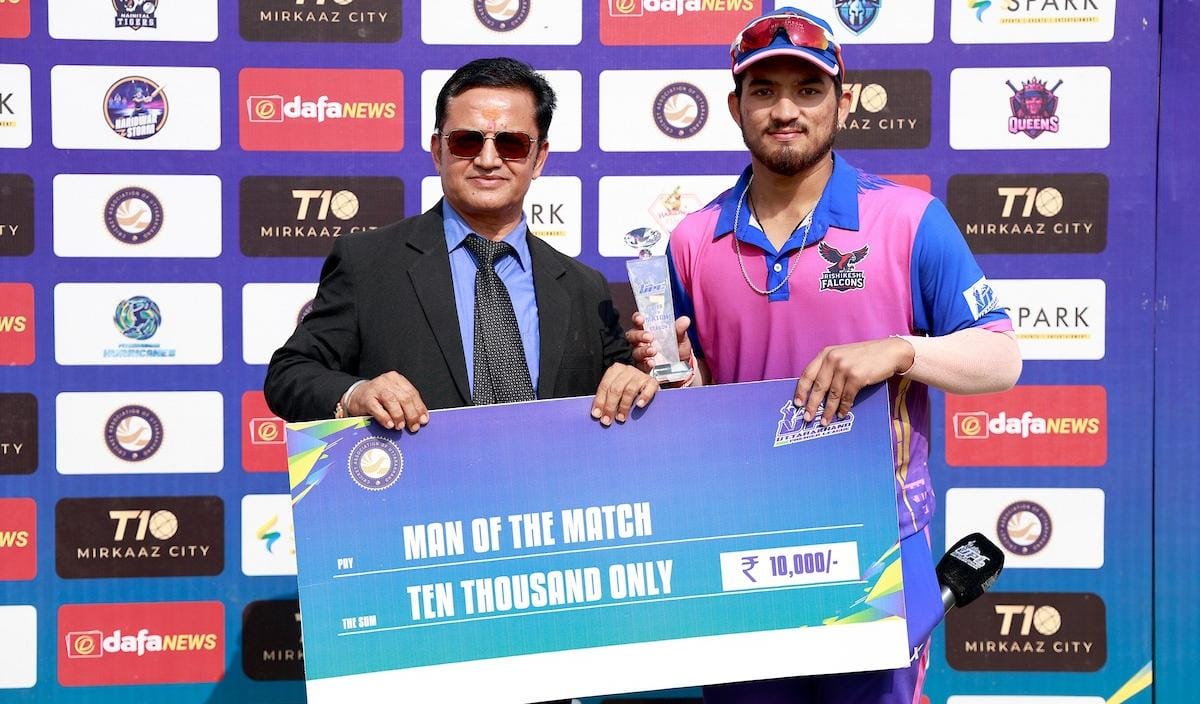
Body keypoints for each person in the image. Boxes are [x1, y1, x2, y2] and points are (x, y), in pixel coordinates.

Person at [627, 8, 1021, 703]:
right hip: (741, 547)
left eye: (808, 90)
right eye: (764, 91)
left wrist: (900, 351)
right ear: (735, 107)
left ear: (844, 102)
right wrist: (678, 381)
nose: (785, 110)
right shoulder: (691, 239)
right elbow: (701, 388)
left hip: (877, 547)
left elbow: (1000, 359)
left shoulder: (908, 219)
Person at [265, 57, 658, 434]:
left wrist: (649, 374)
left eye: (511, 144)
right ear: (438, 151)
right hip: (419, 481)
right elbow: (290, 373)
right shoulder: (367, 263)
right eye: (467, 141)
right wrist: (356, 394)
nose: (488, 159)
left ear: (538, 158)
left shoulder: (583, 287)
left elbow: (625, 386)